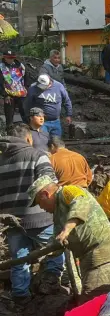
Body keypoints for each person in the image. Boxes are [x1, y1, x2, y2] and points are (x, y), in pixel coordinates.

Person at [28, 175, 110, 303]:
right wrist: (38, 255)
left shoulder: (68, 191)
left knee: (91, 298)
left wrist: (66, 230)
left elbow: (81, 203)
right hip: (89, 257)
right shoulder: (58, 215)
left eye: (39, 203)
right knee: (93, 297)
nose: (41, 208)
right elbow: (55, 243)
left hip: (103, 251)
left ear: (45, 194)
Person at [0, 124, 64, 304]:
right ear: (28, 138)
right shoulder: (37, 155)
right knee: (56, 250)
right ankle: (50, 285)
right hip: (39, 217)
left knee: (19, 258)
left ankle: (21, 297)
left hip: (11, 219)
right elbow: (50, 182)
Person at [25, 73, 73, 137]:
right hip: (41, 121)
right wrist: (29, 117)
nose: (42, 88)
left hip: (56, 121)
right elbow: (28, 103)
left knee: (56, 141)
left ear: (50, 83)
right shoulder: (33, 88)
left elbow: (66, 100)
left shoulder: (58, 86)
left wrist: (69, 114)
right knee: (42, 141)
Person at [0, 50, 27, 130]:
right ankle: (9, 133)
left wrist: (26, 88)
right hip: (9, 95)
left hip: (21, 94)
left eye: (12, 58)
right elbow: (0, 83)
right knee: (9, 119)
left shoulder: (20, 66)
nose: (10, 59)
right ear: (4, 58)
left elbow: (26, 78)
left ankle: (28, 133)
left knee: (25, 114)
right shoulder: (1, 67)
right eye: (8, 58)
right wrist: (5, 95)